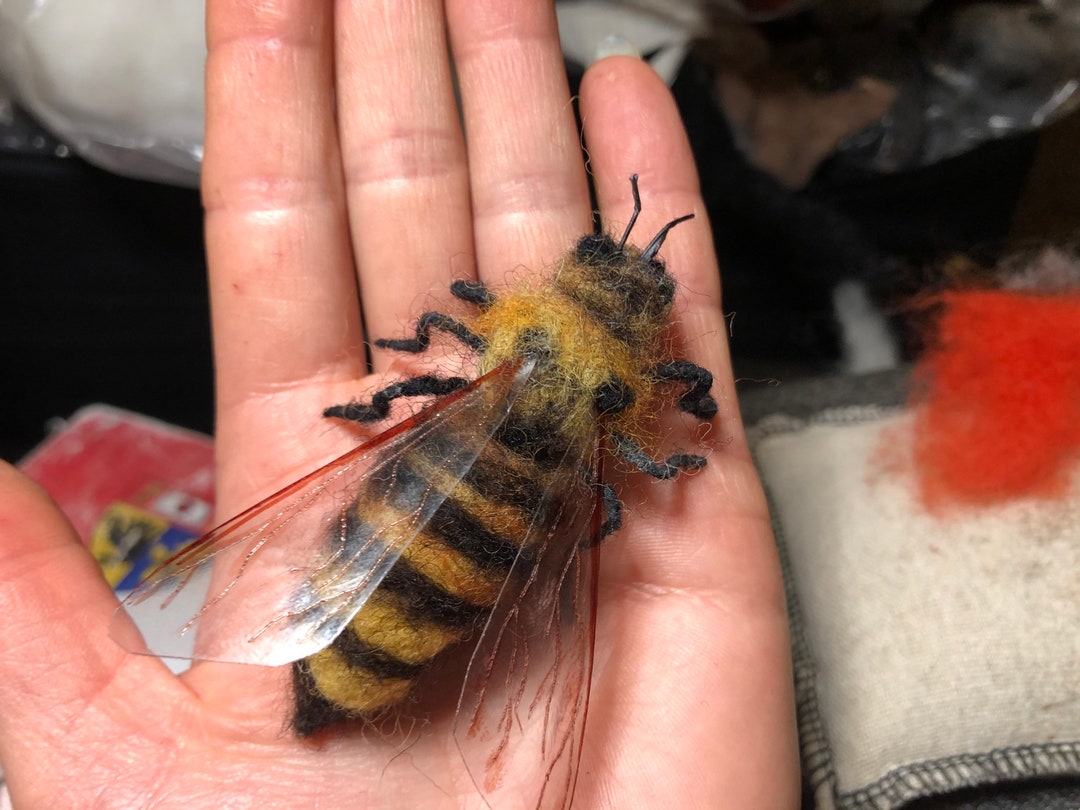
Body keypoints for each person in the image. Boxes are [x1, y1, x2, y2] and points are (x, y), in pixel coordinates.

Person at [0, 1, 798, 806]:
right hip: (475, 560)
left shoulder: (505, 353)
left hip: (429, 528)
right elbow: (619, 484)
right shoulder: (605, 408)